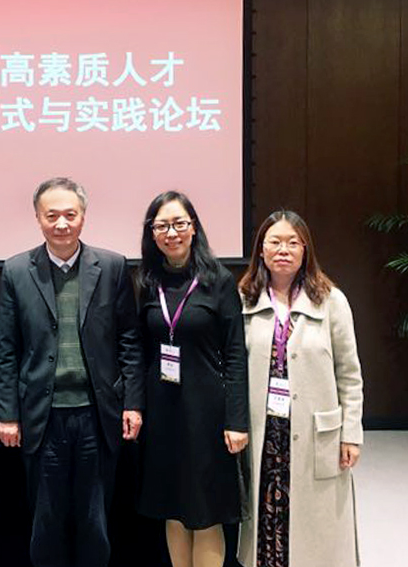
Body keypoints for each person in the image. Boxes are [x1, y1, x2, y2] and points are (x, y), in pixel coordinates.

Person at [0, 177, 144, 567]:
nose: (61, 223)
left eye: (70, 215)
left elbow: (128, 340)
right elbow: (6, 349)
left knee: (95, 521)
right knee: (46, 521)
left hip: (97, 414)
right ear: (38, 218)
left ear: (83, 217)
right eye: (52, 215)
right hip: (41, 417)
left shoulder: (110, 266)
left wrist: (132, 403)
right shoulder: (16, 270)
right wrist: (7, 413)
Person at [237, 209, 363, 567]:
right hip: (264, 432)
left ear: (306, 250)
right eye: (275, 242)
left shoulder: (331, 300)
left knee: (316, 529)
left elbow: (349, 374)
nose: (283, 250)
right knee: (265, 519)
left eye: (293, 242)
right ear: (261, 250)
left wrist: (351, 433)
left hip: (314, 433)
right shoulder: (244, 299)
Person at [136, 190, 249, 567]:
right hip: (163, 411)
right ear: (152, 233)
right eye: (162, 226)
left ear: (194, 227)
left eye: (179, 223)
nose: (171, 233)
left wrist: (236, 420)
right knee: (172, 507)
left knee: (205, 511)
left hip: (207, 413)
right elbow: (140, 350)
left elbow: (235, 354)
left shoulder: (219, 280)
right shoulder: (148, 281)